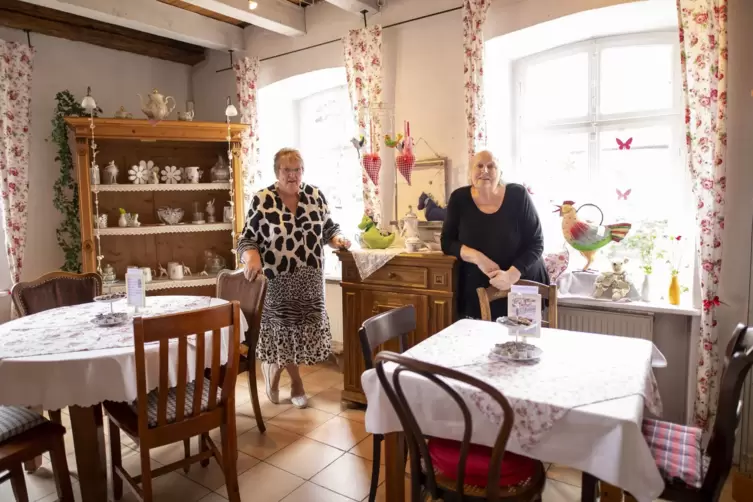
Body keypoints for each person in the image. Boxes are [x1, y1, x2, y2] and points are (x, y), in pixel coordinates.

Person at [238, 148, 351, 409]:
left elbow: (328, 228)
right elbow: (247, 239)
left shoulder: (315, 195)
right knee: (285, 334)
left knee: (301, 336)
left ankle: (274, 371)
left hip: (311, 281)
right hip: (278, 282)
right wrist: (252, 258)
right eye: (287, 170)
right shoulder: (262, 199)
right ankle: (297, 382)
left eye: (297, 169)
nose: (293, 175)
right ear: (276, 172)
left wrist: (337, 239)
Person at [441, 150, 549, 320]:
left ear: (500, 173)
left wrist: (512, 275)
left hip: (522, 279)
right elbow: (447, 242)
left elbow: (537, 243)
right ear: (470, 172)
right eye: (479, 165)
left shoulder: (518, 195)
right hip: (478, 285)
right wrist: (477, 257)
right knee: (480, 340)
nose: (485, 171)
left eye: (491, 166)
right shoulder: (459, 199)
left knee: (522, 340)